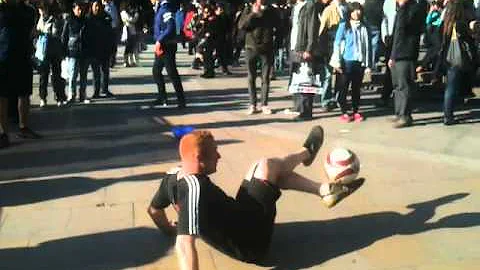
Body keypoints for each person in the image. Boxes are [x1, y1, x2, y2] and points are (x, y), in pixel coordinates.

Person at [148, 126, 364, 268]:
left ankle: (324, 189)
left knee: (263, 168)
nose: (219, 155)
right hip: (252, 242)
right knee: (268, 167)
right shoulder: (195, 189)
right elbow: (184, 245)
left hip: (240, 217)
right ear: (198, 158)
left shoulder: (173, 175)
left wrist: (167, 228)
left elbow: (154, 210)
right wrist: (177, 233)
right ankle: (306, 155)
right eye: (215, 151)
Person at [0, 0, 41, 149]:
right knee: (2, 96)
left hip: (23, 57)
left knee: (24, 94)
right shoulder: (2, 9)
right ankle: (3, 133)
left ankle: (24, 127)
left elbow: (31, 31)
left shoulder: (29, 11)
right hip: (3, 58)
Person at [435, 0, 477, 125]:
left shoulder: (446, 23)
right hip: (458, 59)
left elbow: (438, 38)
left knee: (450, 87)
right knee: (452, 88)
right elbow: (470, 39)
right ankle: (448, 115)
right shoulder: (461, 24)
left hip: (447, 58)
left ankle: (447, 114)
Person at [330, 2, 372, 123]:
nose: (357, 13)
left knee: (356, 88)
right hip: (346, 61)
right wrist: (337, 62)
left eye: (359, 10)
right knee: (343, 87)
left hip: (359, 62)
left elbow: (368, 46)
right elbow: (337, 43)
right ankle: (344, 111)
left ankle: (356, 111)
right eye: (354, 11)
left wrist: (368, 63)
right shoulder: (344, 25)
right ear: (350, 12)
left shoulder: (365, 26)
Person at [284, 0, 322, 121]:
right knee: (297, 79)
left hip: (303, 47)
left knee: (306, 80)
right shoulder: (296, 6)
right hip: (294, 47)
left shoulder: (310, 5)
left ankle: (306, 111)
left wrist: (309, 48)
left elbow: (312, 28)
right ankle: (298, 107)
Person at [239, 0, 278, 115]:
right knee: (251, 77)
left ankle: (264, 104)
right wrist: (253, 14)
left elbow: (279, 26)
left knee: (265, 78)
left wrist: (275, 41)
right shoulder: (249, 9)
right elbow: (242, 25)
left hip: (266, 49)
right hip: (251, 47)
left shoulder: (272, 11)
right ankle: (252, 104)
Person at [388, 0, 422, 128]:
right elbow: (397, 34)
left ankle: (405, 115)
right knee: (397, 86)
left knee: (404, 86)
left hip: (406, 53)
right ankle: (399, 113)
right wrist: (392, 55)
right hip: (397, 53)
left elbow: (404, 28)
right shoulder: (401, 10)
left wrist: (402, 8)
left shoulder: (414, 9)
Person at [152, 0, 186, 108]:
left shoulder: (166, 8)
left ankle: (181, 100)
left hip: (166, 46)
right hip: (162, 45)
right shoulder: (161, 8)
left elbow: (170, 27)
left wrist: (159, 40)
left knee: (172, 73)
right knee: (156, 71)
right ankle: (162, 97)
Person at [36, 0, 67, 107]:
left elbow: (56, 34)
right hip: (43, 52)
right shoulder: (39, 19)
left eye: (42, 9)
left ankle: (59, 97)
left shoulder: (54, 19)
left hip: (54, 51)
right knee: (43, 76)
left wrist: (43, 33)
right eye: (40, 10)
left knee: (56, 75)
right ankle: (43, 97)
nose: (41, 11)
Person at [62, 0, 90, 104]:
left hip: (85, 51)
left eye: (82, 8)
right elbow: (64, 37)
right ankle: (71, 95)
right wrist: (64, 52)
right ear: (74, 9)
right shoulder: (69, 21)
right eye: (78, 9)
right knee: (72, 75)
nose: (80, 10)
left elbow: (90, 36)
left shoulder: (86, 21)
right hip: (72, 51)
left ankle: (83, 95)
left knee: (83, 75)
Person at [88, 0, 115, 99]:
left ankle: (105, 89)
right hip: (94, 49)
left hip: (105, 48)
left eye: (98, 6)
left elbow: (111, 34)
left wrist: (113, 49)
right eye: (95, 6)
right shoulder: (89, 19)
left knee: (105, 71)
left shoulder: (106, 17)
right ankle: (96, 91)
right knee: (96, 72)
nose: (97, 8)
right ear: (92, 7)